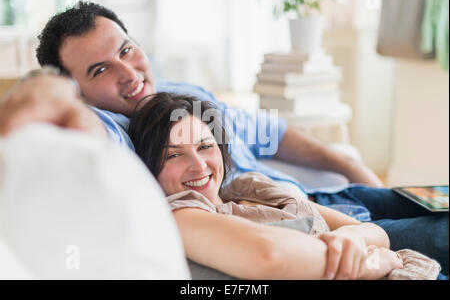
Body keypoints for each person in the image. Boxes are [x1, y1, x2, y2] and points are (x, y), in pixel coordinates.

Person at [0, 1, 447, 275]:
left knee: (437, 199)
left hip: (324, 199)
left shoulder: (186, 92)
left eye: (126, 50)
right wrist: (42, 93)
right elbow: (45, 122)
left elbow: (270, 132)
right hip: (296, 229)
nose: (129, 74)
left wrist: (352, 167)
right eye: (100, 70)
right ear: (78, 91)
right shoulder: (113, 130)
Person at [127, 92, 442, 280]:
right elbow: (269, 255)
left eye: (205, 147)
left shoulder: (248, 187)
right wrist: (367, 259)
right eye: (174, 155)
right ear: (149, 168)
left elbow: (364, 229)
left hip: (404, 264)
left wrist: (350, 238)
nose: (198, 166)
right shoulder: (180, 213)